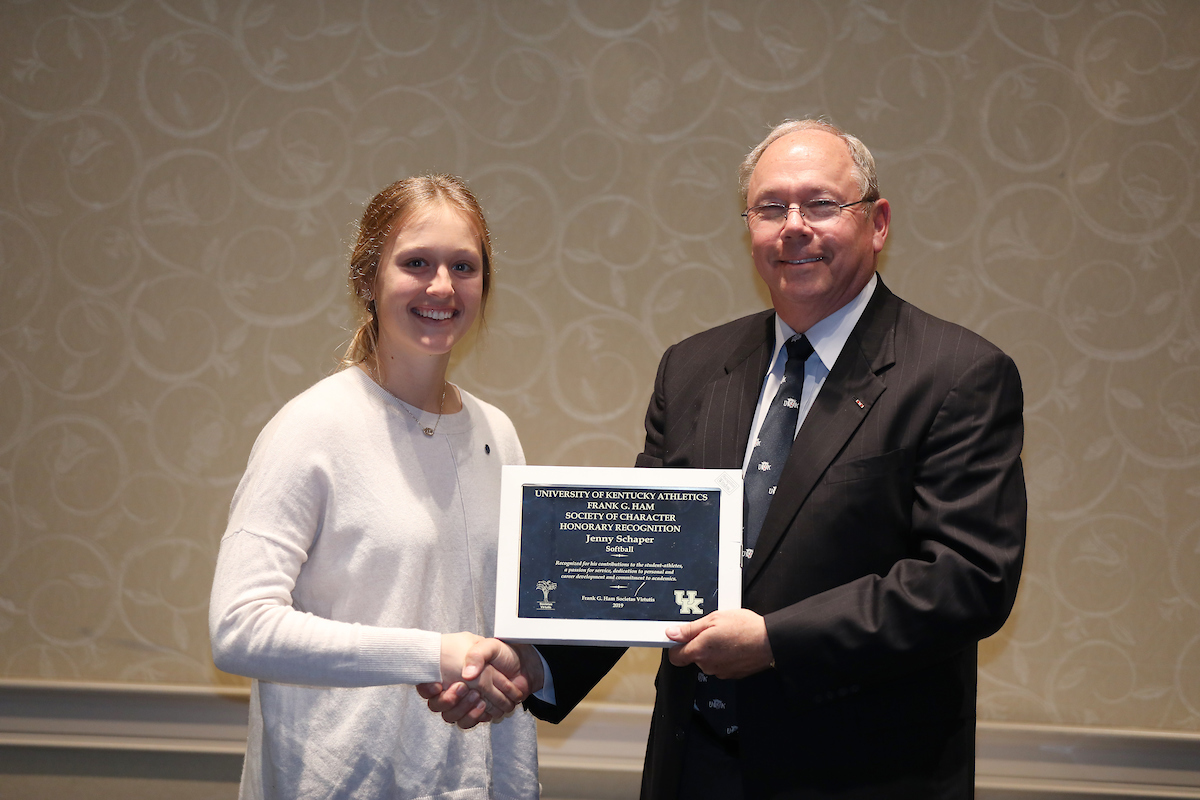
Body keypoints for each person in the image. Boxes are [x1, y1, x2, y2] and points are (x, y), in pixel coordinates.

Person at [428, 119, 1027, 798]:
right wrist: (535, 661)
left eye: (821, 204)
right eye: (771, 208)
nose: (793, 227)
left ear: (878, 222)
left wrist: (775, 639)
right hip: (696, 770)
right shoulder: (693, 369)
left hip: (862, 774)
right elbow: (641, 561)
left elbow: (966, 580)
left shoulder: (957, 374)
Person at [209, 174, 545, 800]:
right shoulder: (311, 427)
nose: (441, 286)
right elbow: (239, 626)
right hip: (340, 782)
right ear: (368, 280)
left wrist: (511, 670)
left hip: (478, 778)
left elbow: (499, 622)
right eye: (416, 263)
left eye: (463, 267)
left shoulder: (497, 432)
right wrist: (436, 654)